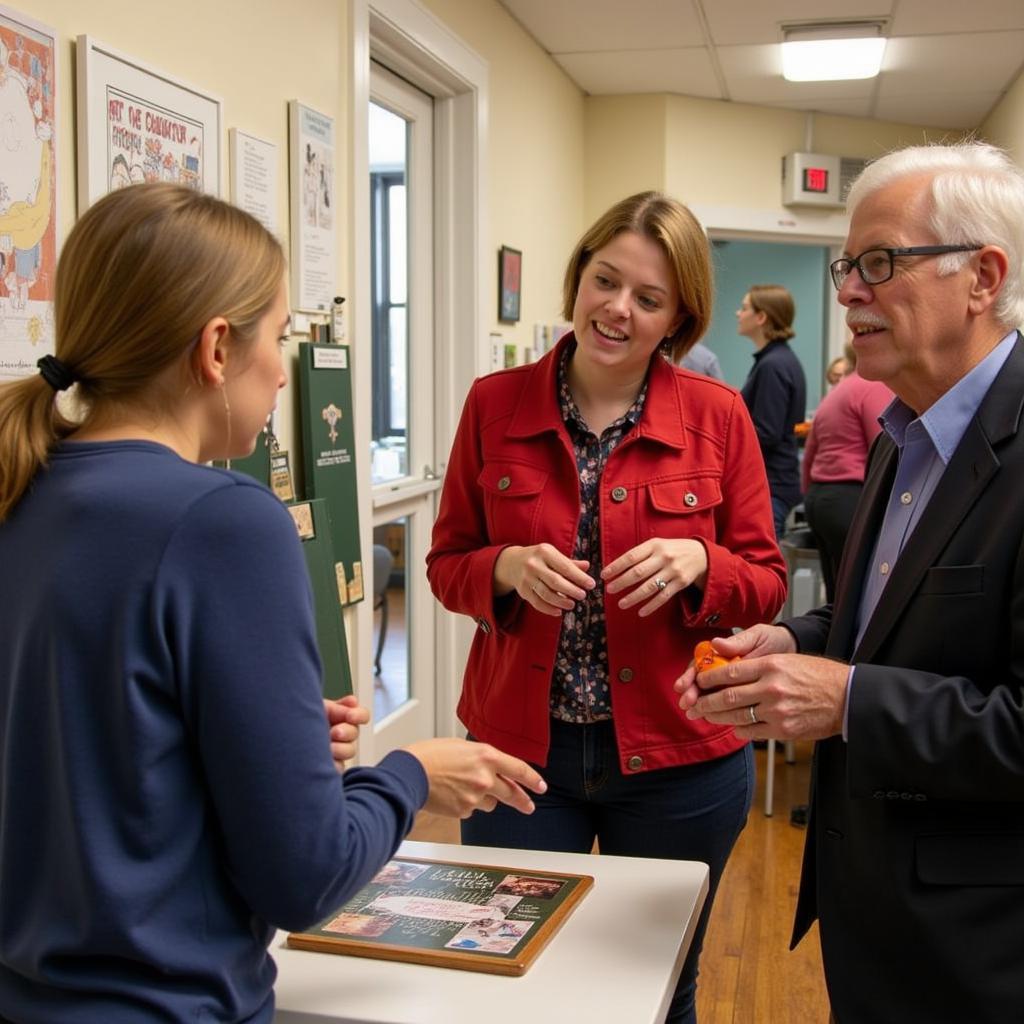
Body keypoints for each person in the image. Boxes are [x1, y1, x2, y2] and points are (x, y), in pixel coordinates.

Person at [0, 182, 546, 1024]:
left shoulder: (23, 491)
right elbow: (306, 876)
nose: (282, 369)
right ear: (217, 348)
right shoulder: (224, 521)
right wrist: (410, 776)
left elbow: (84, 756)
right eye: (281, 336)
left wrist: (264, 740)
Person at [678, 141, 1024, 1024]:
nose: (848, 292)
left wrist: (847, 701)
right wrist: (793, 641)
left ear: (983, 277)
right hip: (873, 912)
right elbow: (884, 622)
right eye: (847, 266)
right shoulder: (900, 436)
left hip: (980, 947)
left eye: (880, 263)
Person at [426, 191, 787, 1023]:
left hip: (676, 760)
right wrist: (506, 566)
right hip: (521, 758)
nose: (618, 309)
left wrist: (702, 560)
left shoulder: (717, 418)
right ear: (578, 279)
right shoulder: (494, 405)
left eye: (648, 298)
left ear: (677, 320)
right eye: (605, 280)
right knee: (506, 986)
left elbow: (766, 581)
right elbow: (445, 565)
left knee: (661, 988)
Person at [801, 343, 892, 601]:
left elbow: (809, 454)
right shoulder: (872, 386)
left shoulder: (839, 390)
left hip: (820, 498)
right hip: (849, 497)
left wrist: (810, 494)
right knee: (858, 594)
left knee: (836, 594)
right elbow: (884, 446)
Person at [736, 284, 807, 538]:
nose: (738, 313)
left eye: (744, 308)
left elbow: (766, 433)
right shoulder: (778, 360)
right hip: (775, 483)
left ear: (761, 317)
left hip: (771, 485)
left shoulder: (773, 365)